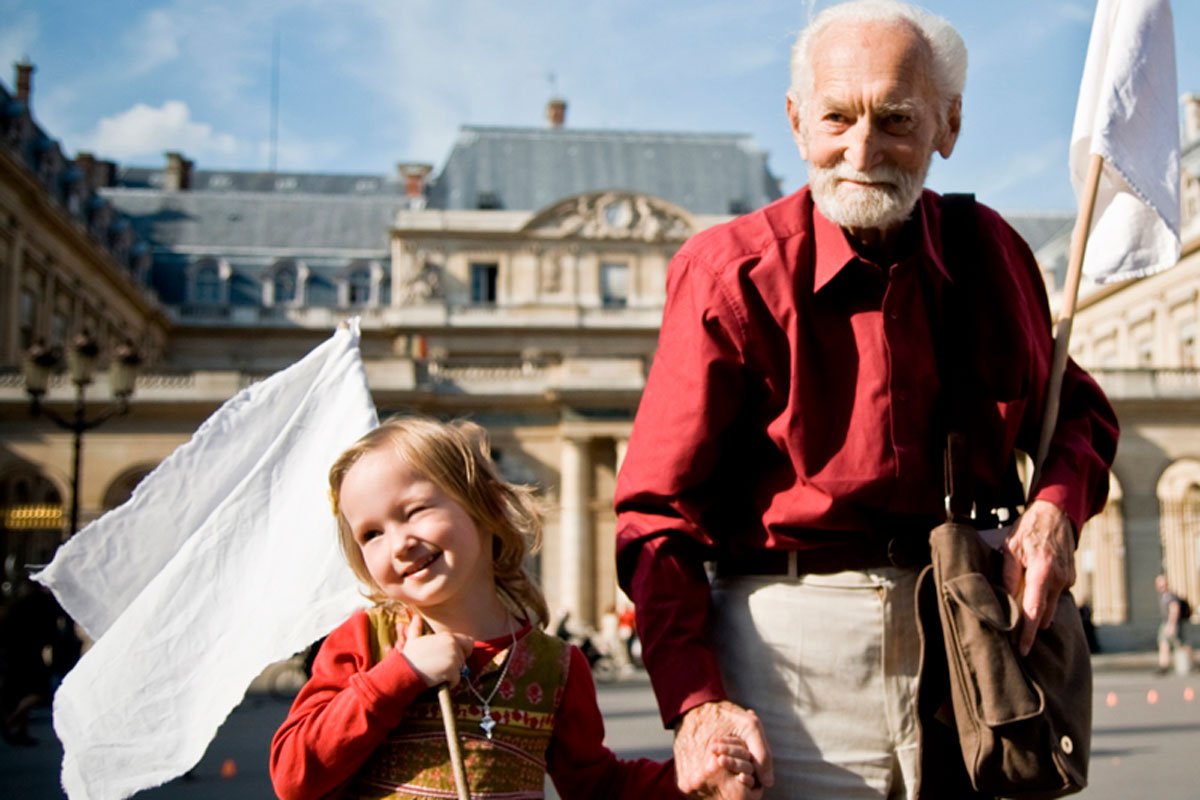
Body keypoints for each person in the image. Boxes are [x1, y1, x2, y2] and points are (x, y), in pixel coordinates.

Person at [613, 2, 1119, 797]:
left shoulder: (991, 251)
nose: (862, 149)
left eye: (896, 118)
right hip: (792, 650)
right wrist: (698, 702)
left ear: (948, 126)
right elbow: (654, 514)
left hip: (972, 635)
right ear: (795, 121)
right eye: (837, 117)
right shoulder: (730, 273)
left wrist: (1056, 507)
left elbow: (1078, 410)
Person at [270, 416, 754, 798]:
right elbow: (294, 774)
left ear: (485, 509)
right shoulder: (366, 643)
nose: (397, 543)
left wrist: (695, 779)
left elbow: (598, 786)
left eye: (414, 510)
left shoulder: (556, 668)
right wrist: (398, 677)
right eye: (371, 533)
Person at [1155, 574, 1192, 675]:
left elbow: (1174, 610)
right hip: (1166, 623)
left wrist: (1171, 624)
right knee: (1163, 643)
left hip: (1172, 623)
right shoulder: (1164, 596)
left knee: (1181, 644)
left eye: (1161, 584)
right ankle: (1163, 666)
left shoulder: (1170, 596)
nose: (1159, 586)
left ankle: (1193, 662)